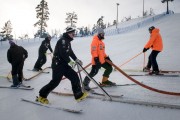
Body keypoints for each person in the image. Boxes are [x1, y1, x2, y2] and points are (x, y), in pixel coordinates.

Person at [37, 27, 88, 104]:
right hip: (58, 65)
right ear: (68, 33)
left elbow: (70, 52)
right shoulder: (63, 41)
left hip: (64, 64)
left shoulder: (67, 41)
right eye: (72, 33)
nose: (73, 35)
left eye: (74, 33)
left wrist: (76, 59)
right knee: (55, 82)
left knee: (74, 76)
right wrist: (71, 62)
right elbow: (63, 53)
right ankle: (42, 96)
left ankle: (78, 95)